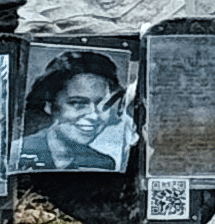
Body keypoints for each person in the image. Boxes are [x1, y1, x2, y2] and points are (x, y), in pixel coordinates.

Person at [18, 45, 133, 176]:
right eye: (78, 103)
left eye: (103, 105)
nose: (94, 116)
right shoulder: (19, 152)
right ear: (49, 105)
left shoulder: (102, 164)